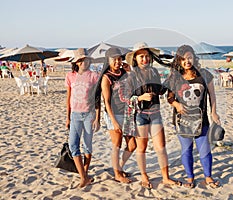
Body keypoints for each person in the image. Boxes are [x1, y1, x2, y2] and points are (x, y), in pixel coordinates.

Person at [124, 42, 181, 189]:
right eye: (141, 56)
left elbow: (160, 91)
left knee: (161, 147)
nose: (145, 59)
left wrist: (171, 79)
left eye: (147, 56)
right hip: (140, 116)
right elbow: (126, 99)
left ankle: (166, 177)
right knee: (141, 148)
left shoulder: (154, 72)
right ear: (135, 59)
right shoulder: (131, 76)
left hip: (156, 114)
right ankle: (144, 176)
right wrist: (140, 98)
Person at [164, 45, 221, 189]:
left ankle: (208, 177)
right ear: (179, 60)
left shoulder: (204, 74)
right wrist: (176, 105)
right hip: (182, 120)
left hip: (201, 120)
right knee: (186, 150)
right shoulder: (175, 77)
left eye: (189, 57)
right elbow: (169, 97)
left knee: (204, 149)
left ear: (194, 58)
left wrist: (214, 112)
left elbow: (212, 96)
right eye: (183, 59)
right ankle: (190, 177)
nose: (187, 61)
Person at [98, 47, 136, 183]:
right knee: (117, 145)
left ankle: (119, 167)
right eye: (114, 59)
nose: (117, 62)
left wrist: (130, 71)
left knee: (132, 145)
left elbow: (134, 87)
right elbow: (106, 102)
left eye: (119, 59)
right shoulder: (106, 77)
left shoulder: (124, 73)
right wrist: (113, 121)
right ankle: (117, 174)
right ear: (108, 61)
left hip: (127, 112)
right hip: (114, 114)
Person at [65, 48, 100, 188]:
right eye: (81, 60)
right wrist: (67, 117)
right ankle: (83, 176)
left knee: (87, 145)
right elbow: (68, 98)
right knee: (73, 144)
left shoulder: (94, 76)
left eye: (86, 59)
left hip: (89, 115)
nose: (84, 62)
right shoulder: (70, 76)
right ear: (77, 62)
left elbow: (98, 99)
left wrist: (98, 118)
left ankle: (84, 174)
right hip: (75, 115)